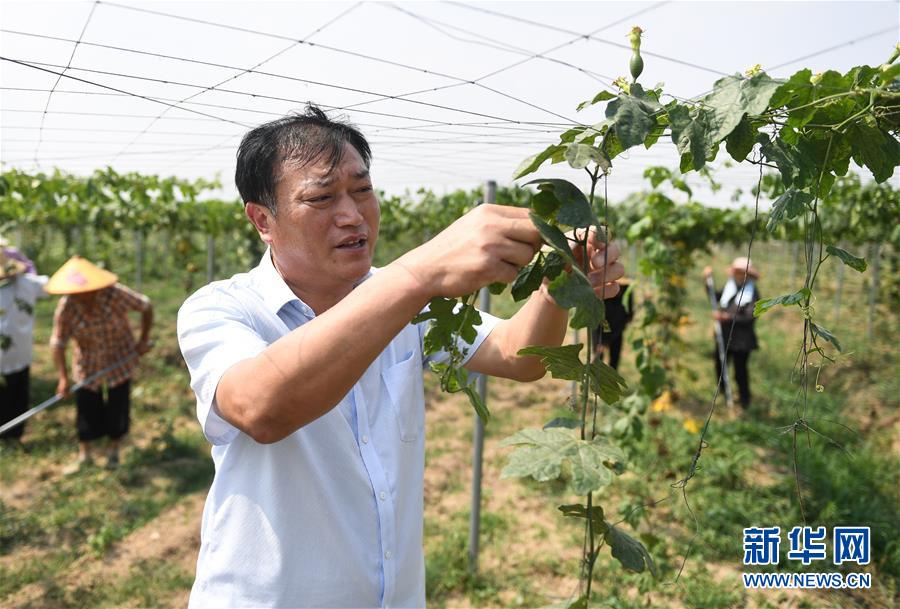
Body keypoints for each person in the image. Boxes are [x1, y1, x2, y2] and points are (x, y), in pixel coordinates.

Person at [176, 105, 624, 608]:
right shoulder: (222, 309)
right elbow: (261, 407)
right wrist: (418, 274)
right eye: (322, 197)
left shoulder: (402, 300)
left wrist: (557, 281)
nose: (352, 214)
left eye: (362, 190)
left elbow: (518, 356)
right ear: (263, 219)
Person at [47, 256, 153, 471]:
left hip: (119, 358)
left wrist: (142, 341)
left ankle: (114, 451)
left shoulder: (115, 294)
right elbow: (58, 344)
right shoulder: (67, 307)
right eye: (75, 293)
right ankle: (85, 454)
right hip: (88, 363)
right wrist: (63, 378)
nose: (81, 297)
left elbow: (146, 306)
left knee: (118, 405)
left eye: (85, 293)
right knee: (86, 406)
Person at [0, 246, 48, 443]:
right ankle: (12, 434)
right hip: (20, 353)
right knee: (16, 395)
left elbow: (51, 285)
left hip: (18, 353)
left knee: (14, 395)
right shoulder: (27, 283)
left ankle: (12, 435)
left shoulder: (26, 284)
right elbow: (51, 285)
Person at [703, 257, 761, 409]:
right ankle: (722, 391)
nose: (740, 276)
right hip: (725, 335)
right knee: (720, 364)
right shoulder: (729, 288)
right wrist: (707, 281)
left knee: (740, 370)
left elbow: (750, 316)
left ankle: (744, 399)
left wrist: (726, 317)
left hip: (741, 340)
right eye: (737, 273)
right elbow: (715, 298)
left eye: (743, 273)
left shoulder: (752, 293)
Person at [591, 277, 634, 370]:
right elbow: (601, 316)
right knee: (597, 361)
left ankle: (610, 383)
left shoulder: (627, 290)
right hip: (600, 328)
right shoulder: (604, 290)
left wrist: (608, 339)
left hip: (617, 330)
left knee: (614, 363)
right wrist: (602, 340)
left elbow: (628, 316)